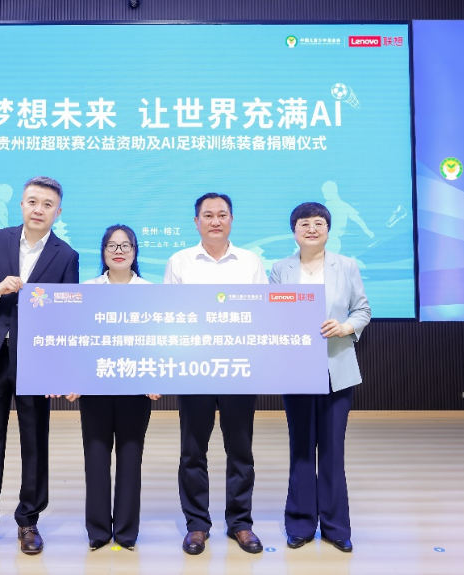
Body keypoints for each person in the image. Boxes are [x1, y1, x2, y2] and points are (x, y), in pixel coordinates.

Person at [0, 176, 79, 559]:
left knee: (34, 440)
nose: (39, 209)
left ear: (58, 212)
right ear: (22, 205)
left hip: (36, 361)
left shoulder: (66, 255)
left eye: (47, 204)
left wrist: (60, 369)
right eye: (32, 201)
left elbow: (66, 316)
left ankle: (28, 521)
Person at [163, 193, 268, 555]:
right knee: (193, 450)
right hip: (194, 367)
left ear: (231, 220)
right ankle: (197, 525)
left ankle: (240, 523)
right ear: (196, 222)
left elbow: (263, 312)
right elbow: (169, 314)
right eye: (208, 215)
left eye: (222, 214)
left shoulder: (251, 261)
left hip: (239, 367)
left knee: (240, 449)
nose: (215, 221)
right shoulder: (180, 261)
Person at [268, 202, 371, 553]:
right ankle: (299, 524)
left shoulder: (347, 265)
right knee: (301, 448)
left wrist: (345, 327)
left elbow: (362, 309)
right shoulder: (280, 269)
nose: (311, 229)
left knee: (332, 449)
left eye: (318, 223)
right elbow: (271, 312)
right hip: (296, 369)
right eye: (304, 223)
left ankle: (336, 526)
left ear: (328, 229)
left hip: (336, 368)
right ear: (294, 231)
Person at [77, 225, 159, 551]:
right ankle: (98, 531)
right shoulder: (87, 290)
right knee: (95, 457)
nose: (119, 251)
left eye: (125, 245)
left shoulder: (150, 292)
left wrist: (156, 377)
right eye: (112, 245)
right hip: (95, 385)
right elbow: (77, 338)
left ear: (135, 251)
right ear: (103, 252)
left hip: (136, 388)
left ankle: (126, 532)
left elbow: (158, 340)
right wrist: (74, 377)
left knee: (130, 457)